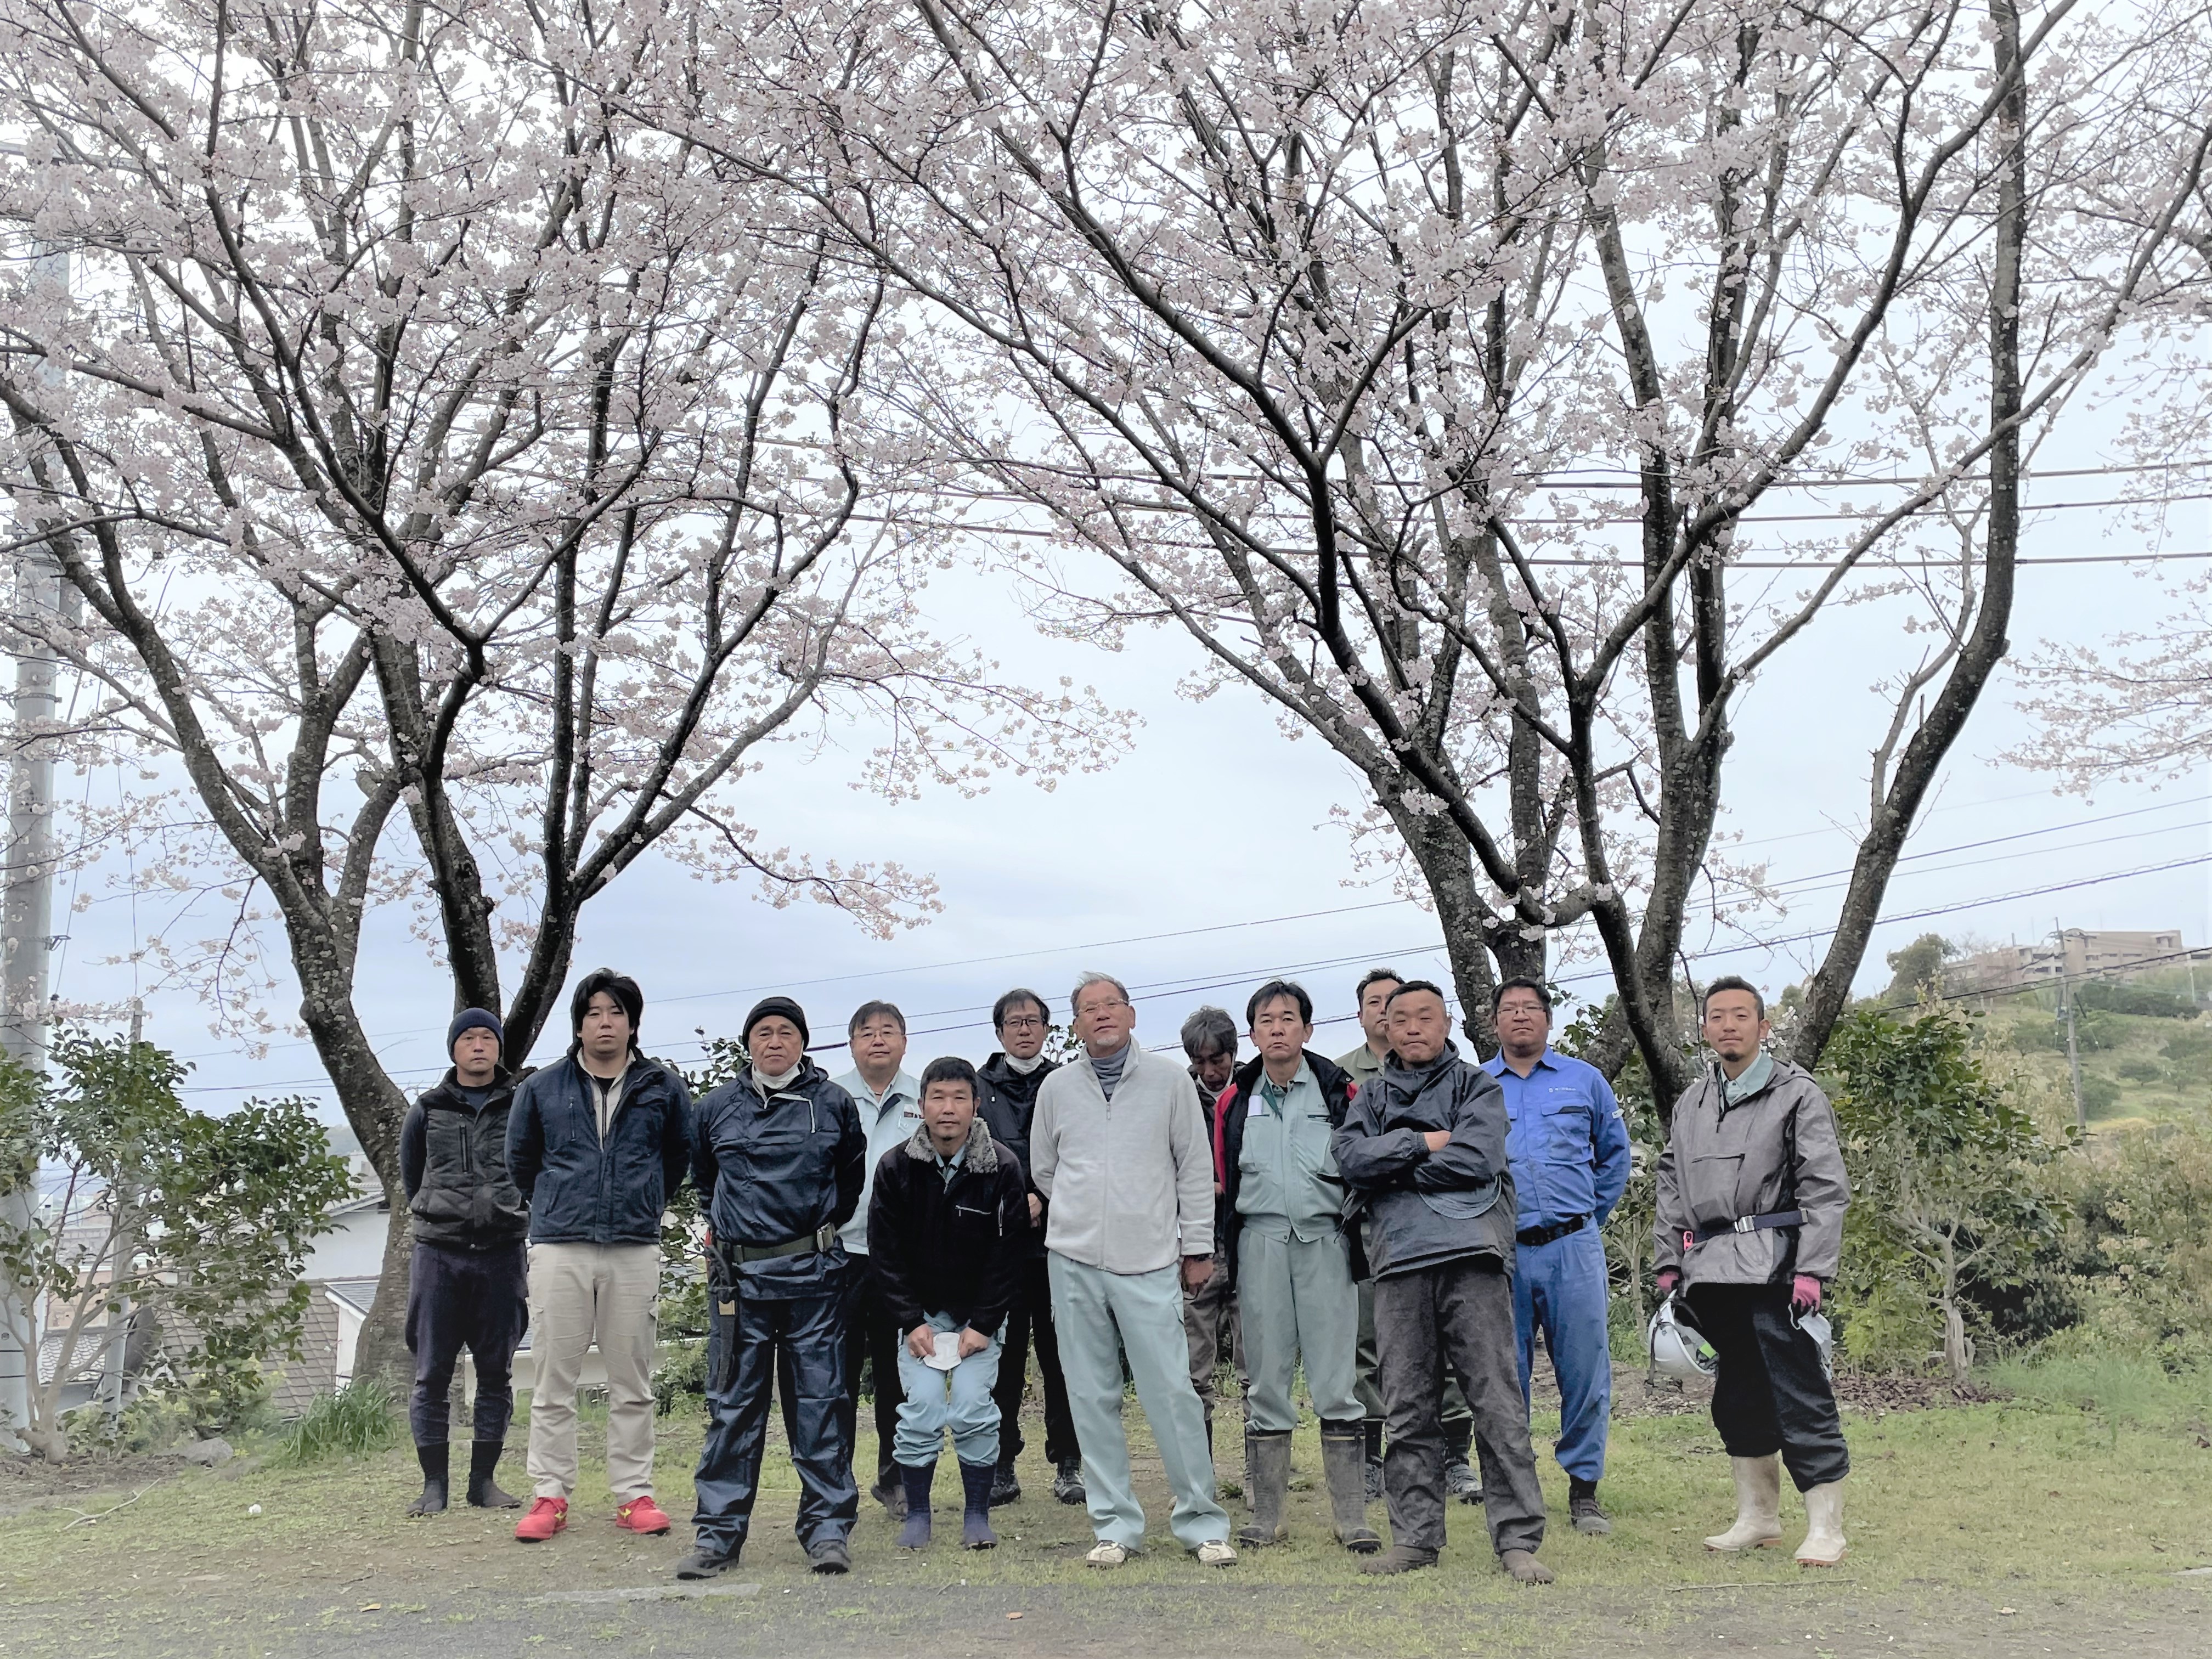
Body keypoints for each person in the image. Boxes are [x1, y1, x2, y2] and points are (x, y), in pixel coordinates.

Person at [1333, 980, 1552, 1583]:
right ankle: (1416, 1540)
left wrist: (1393, 1170)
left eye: (1424, 1016)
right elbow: (1350, 1160)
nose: (1410, 1027)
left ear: (1446, 1023)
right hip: (1399, 1263)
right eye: (1398, 1016)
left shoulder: (1476, 1086)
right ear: (1383, 1026)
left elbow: (1478, 1160)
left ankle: (1517, 1540)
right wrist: (1424, 1143)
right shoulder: (1370, 1096)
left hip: (1473, 1256)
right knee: (1407, 1406)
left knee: (1496, 1401)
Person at [1033, 972, 1238, 1568]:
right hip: (1072, 1258)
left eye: (1110, 1006)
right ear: (1075, 1025)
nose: (1100, 1016)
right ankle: (1115, 1526)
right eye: (1088, 1009)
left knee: (1171, 1391)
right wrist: (1081, 1213)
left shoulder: (1170, 1082)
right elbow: (1046, 1170)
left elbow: (1196, 1170)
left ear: (1130, 1015)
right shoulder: (1056, 1088)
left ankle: (1202, 1521)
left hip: (1149, 1258)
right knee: (1090, 1394)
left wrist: (1195, 1246)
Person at [1655, 977, 1852, 1568]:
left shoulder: (1797, 1094)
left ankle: (1826, 1528)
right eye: (1717, 1017)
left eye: (1742, 1016)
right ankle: (1758, 1517)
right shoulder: (1691, 1101)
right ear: (1705, 1028)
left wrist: (1813, 1271)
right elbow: (1670, 1185)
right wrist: (1669, 1263)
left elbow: (1824, 1186)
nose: (1728, 1026)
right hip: (1710, 1271)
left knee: (1799, 1392)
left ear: (1765, 1028)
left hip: (1778, 1267)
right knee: (1736, 1395)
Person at [680, 996, 868, 1579]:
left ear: (803, 1043)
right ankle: (717, 1537)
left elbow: (849, 1180)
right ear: (749, 1044)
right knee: (733, 1411)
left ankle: (828, 1531)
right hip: (739, 1283)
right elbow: (703, 1179)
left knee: (822, 1406)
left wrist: (804, 1235)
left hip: (813, 1278)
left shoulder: (833, 1103)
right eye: (764, 1033)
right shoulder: (715, 1108)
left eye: (787, 1032)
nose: (775, 1042)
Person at [505, 970, 695, 1544]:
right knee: (552, 1380)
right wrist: (561, 1204)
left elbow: (677, 1157)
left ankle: (634, 1493)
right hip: (560, 1245)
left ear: (633, 1022)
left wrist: (640, 1202)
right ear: (579, 1023)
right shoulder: (542, 1088)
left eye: (615, 1012)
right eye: (593, 1013)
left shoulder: (662, 1087)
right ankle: (549, 1495)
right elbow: (522, 1161)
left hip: (634, 1246)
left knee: (631, 1378)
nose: (604, 1022)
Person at [1213, 980, 1378, 1554]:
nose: (1277, 1028)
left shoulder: (1340, 1089)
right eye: (1266, 1020)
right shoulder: (1235, 1098)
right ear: (1252, 1034)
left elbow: (1365, 1164)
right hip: (1259, 1244)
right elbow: (1222, 1175)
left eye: (1288, 1019)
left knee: (1337, 1380)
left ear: (1308, 1030)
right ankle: (1268, 1517)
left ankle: (1352, 1519)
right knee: (1266, 1379)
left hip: (1326, 1242)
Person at [1484, 979, 1632, 1536]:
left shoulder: (1585, 1081)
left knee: (1585, 1372)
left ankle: (1585, 1492)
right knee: (1505, 1377)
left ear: (1548, 1020)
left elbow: (1614, 1157)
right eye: (1509, 1010)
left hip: (1574, 1247)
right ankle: (1518, 1494)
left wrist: (1586, 1221)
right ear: (1494, 1023)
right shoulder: (1477, 1085)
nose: (1520, 1017)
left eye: (1530, 1009)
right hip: (1502, 1253)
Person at [868, 1057, 1029, 1551]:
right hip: (919, 1318)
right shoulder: (896, 1166)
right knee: (919, 1410)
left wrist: (984, 1323)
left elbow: (1011, 1253)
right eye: (938, 1097)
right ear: (922, 1107)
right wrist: (909, 1320)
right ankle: (918, 1515)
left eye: (959, 1098)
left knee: (974, 1409)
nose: (948, 1108)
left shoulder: (1001, 1166)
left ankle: (977, 1515)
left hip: (979, 1321)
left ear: (975, 1106)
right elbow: (885, 1252)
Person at [1335, 968, 1476, 1505]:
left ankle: (1456, 1458)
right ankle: (1373, 1459)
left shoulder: (1456, 1077)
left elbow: (1466, 1150)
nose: (1384, 1013)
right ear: (1367, 1015)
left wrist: (1396, 1158)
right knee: (1368, 1346)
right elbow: (1350, 1158)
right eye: (1375, 1004)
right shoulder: (1345, 1076)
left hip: (1446, 1229)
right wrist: (1410, 1152)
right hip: (1374, 1233)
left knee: (1447, 1348)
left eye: (1395, 1004)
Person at [398, 1008, 529, 1516]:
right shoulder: (427, 1109)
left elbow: (535, 1163)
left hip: (502, 1253)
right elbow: (413, 1176)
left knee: (496, 1373)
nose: (478, 1046)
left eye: (487, 1039)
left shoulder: (521, 1105)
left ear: (499, 1049)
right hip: (440, 1255)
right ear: (453, 1049)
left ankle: (484, 1482)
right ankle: (434, 1485)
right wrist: (443, 1215)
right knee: (431, 1373)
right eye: (468, 1038)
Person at [975, 988, 1082, 1507]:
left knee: (1064, 1356)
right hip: (998, 1247)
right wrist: (1015, 1204)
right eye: (1014, 1022)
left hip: (1061, 1239)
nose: (1024, 1030)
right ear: (999, 1032)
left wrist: (1042, 1195)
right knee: (1004, 1358)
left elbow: (1081, 1152)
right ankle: (1001, 1463)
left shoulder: (1069, 1082)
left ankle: (1069, 1461)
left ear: (1047, 1028)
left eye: (1033, 1021)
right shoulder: (977, 1087)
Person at [831, 1000, 924, 1517]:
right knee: (838, 1375)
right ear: (852, 1043)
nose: (879, 1040)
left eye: (890, 1031)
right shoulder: (829, 1097)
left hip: (900, 1258)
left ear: (905, 1043)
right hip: (840, 1253)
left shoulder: (923, 1099)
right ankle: (836, 1480)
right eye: (867, 1032)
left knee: (899, 1377)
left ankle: (897, 1479)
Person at [1179, 1006, 1241, 1449]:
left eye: (1217, 1060)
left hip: (1249, 1242)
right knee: (1190, 1368)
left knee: (1257, 1370)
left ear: (1233, 1052)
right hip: (1194, 1245)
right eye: (1200, 1062)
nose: (1210, 1071)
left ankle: (1262, 1477)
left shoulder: (1257, 1089)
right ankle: (1198, 1475)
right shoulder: (1176, 1095)